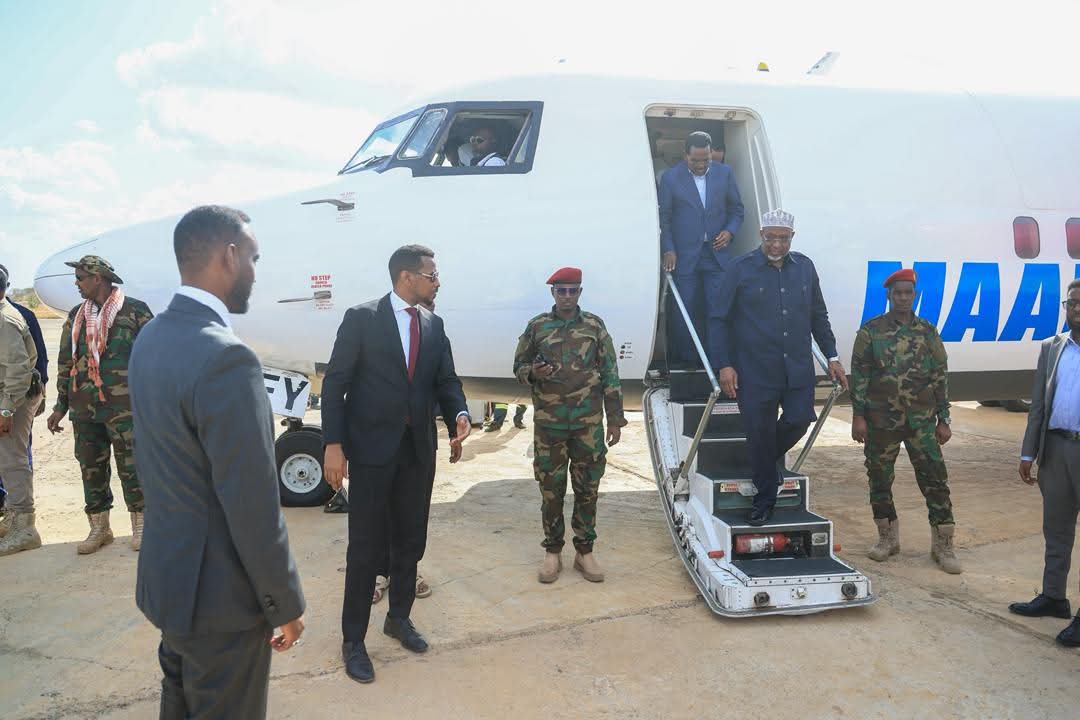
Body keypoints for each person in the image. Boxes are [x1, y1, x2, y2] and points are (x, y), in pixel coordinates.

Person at [129, 205, 305, 718]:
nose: (255, 271)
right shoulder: (227, 357)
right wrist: (284, 603)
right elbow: (252, 503)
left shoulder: (150, 337)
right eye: (253, 258)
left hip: (170, 586)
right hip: (221, 605)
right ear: (229, 256)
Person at [322, 244, 470, 684]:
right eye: (432, 275)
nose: (437, 282)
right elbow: (335, 383)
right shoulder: (362, 318)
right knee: (365, 547)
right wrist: (333, 444)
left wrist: (459, 413)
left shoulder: (433, 324)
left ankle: (398, 618)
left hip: (416, 451)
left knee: (410, 539)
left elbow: (446, 380)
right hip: (371, 451)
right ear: (407, 277)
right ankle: (353, 640)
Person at [710, 210, 848, 526]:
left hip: (796, 367)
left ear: (792, 238)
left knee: (800, 419)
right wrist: (724, 365)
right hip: (754, 370)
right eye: (770, 237)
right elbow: (718, 320)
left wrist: (832, 356)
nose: (776, 244)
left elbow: (818, 315)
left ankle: (759, 457)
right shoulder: (739, 269)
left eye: (783, 238)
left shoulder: (805, 268)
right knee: (759, 431)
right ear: (761, 235)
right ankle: (765, 498)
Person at [513, 267, 627, 584]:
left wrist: (615, 418)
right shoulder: (537, 326)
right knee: (551, 490)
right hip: (549, 425)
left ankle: (584, 552)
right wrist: (533, 372)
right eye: (561, 290)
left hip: (587, 424)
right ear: (553, 293)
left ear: (579, 292)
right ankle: (552, 552)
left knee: (587, 489)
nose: (567, 296)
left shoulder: (594, 326)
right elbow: (518, 366)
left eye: (572, 290)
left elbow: (610, 371)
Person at [850, 268, 961, 574]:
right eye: (897, 293)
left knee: (935, 479)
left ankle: (943, 544)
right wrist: (858, 416)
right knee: (879, 479)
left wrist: (944, 418)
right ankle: (887, 538)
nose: (902, 298)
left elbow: (939, 376)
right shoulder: (871, 331)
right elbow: (860, 376)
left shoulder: (927, 331)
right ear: (889, 295)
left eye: (907, 293)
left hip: (921, 421)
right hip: (880, 422)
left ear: (915, 295)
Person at [46, 255, 153, 554]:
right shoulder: (76, 316)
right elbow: (66, 362)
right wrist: (60, 405)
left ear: (98, 278)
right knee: (90, 466)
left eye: (80, 278)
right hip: (84, 408)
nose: (76, 283)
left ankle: (142, 525)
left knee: (133, 466)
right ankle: (99, 528)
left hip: (126, 408)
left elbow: (156, 358)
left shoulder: (135, 311)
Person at [1010, 278, 1080, 647]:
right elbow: (1038, 404)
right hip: (1055, 449)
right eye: (1072, 303)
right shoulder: (1052, 348)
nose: (1077, 309)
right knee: (1056, 531)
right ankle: (1054, 597)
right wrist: (1028, 452)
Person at [659, 131, 745, 367]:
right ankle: (688, 363)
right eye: (695, 160)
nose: (701, 165)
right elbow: (664, 219)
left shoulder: (724, 173)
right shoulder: (670, 178)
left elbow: (737, 210)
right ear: (685, 155)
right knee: (684, 309)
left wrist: (729, 231)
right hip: (684, 256)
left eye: (705, 159)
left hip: (716, 255)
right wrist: (669, 249)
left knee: (718, 308)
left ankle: (719, 363)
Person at [0, 265, 43, 556]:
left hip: (14, 398)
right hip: (9, 395)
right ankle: (15, 518)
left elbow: (18, 370)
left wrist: (5, 411)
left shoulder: (5, 320)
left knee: (12, 461)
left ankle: (26, 528)